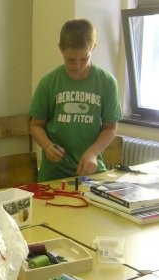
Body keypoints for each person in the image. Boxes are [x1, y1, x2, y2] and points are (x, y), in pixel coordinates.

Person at [29, 18, 122, 182]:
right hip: (54, 174)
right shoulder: (48, 82)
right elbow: (36, 125)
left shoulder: (107, 83)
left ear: (93, 47)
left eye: (84, 58)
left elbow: (110, 128)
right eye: (71, 59)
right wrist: (47, 146)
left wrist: (93, 152)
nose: (77, 66)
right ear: (61, 50)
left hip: (91, 171)